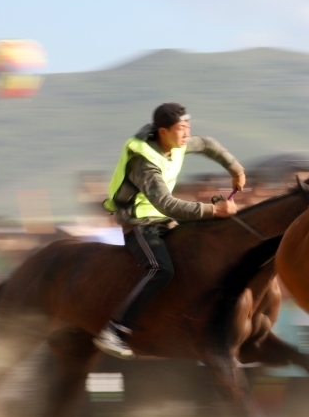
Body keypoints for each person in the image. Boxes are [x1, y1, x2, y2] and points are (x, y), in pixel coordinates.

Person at [96, 103, 245, 359]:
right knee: (160, 269)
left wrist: (236, 169)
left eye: (188, 127)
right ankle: (115, 330)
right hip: (140, 224)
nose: (187, 133)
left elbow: (207, 144)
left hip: (165, 220)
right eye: (181, 129)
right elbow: (166, 204)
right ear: (163, 132)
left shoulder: (178, 143)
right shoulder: (144, 163)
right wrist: (213, 210)